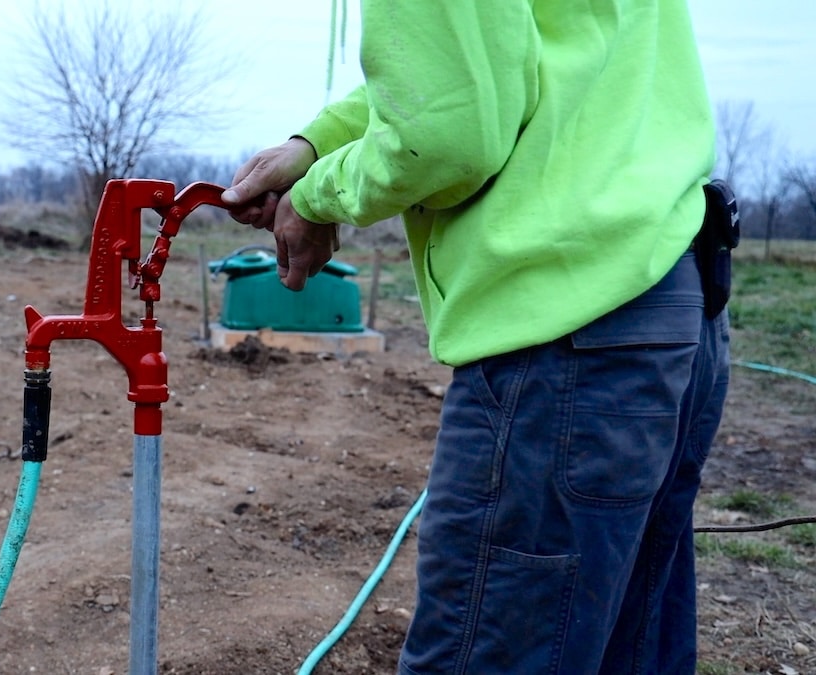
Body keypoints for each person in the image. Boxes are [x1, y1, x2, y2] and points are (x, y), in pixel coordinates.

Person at [222, 1, 731, 673]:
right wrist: (316, 144)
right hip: (669, 304)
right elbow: (485, 61)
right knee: (620, 648)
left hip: (565, 339)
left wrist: (316, 196)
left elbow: (440, 136)